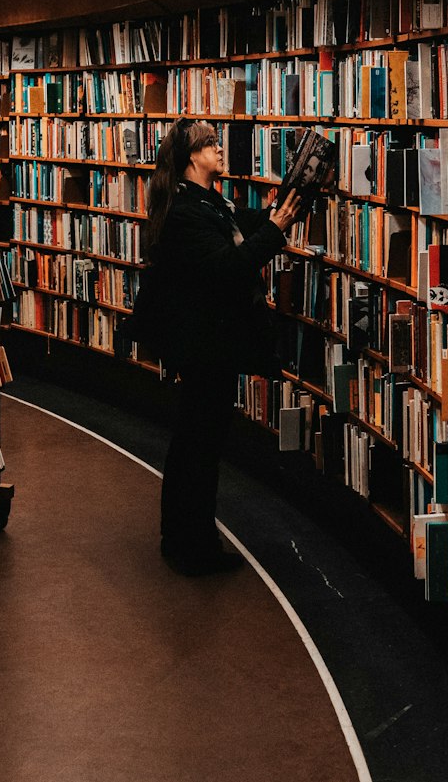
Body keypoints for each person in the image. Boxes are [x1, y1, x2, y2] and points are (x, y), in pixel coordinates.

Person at [145, 116, 301, 576]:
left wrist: (283, 206)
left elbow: (242, 221)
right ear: (192, 156)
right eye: (210, 143)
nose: (219, 149)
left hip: (210, 342)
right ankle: (190, 545)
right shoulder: (184, 213)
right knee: (198, 443)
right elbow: (229, 267)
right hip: (201, 346)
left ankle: (189, 537)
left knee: (200, 442)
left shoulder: (208, 202)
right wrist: (275, 231)